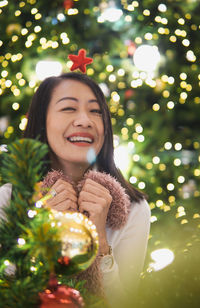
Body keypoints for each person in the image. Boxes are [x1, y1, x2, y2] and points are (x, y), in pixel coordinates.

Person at [0, 72, 150, 307]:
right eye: (69, 108)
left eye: (96, 111)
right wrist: (38, 237)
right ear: (42, 120)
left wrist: (100, 244)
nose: (85, 121)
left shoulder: (134, 208)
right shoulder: (8, 199)